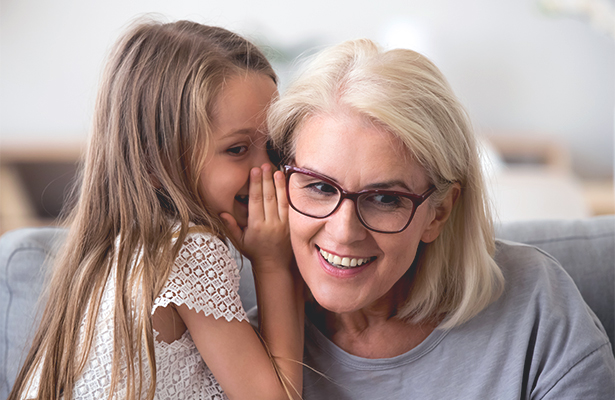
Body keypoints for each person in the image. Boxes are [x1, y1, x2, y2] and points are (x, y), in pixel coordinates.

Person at [267, 39, 615, 399]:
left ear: (439, 212)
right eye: (320, 188)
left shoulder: (536, 307)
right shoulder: (241, 341)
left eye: (385, 199)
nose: (344, 232)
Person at [9, 20, 303, 400]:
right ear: (154, 164)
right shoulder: (190, 249)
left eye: (274, 148)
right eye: (237, 149)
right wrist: (274, 264)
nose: (269, 171)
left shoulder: (112, 252)